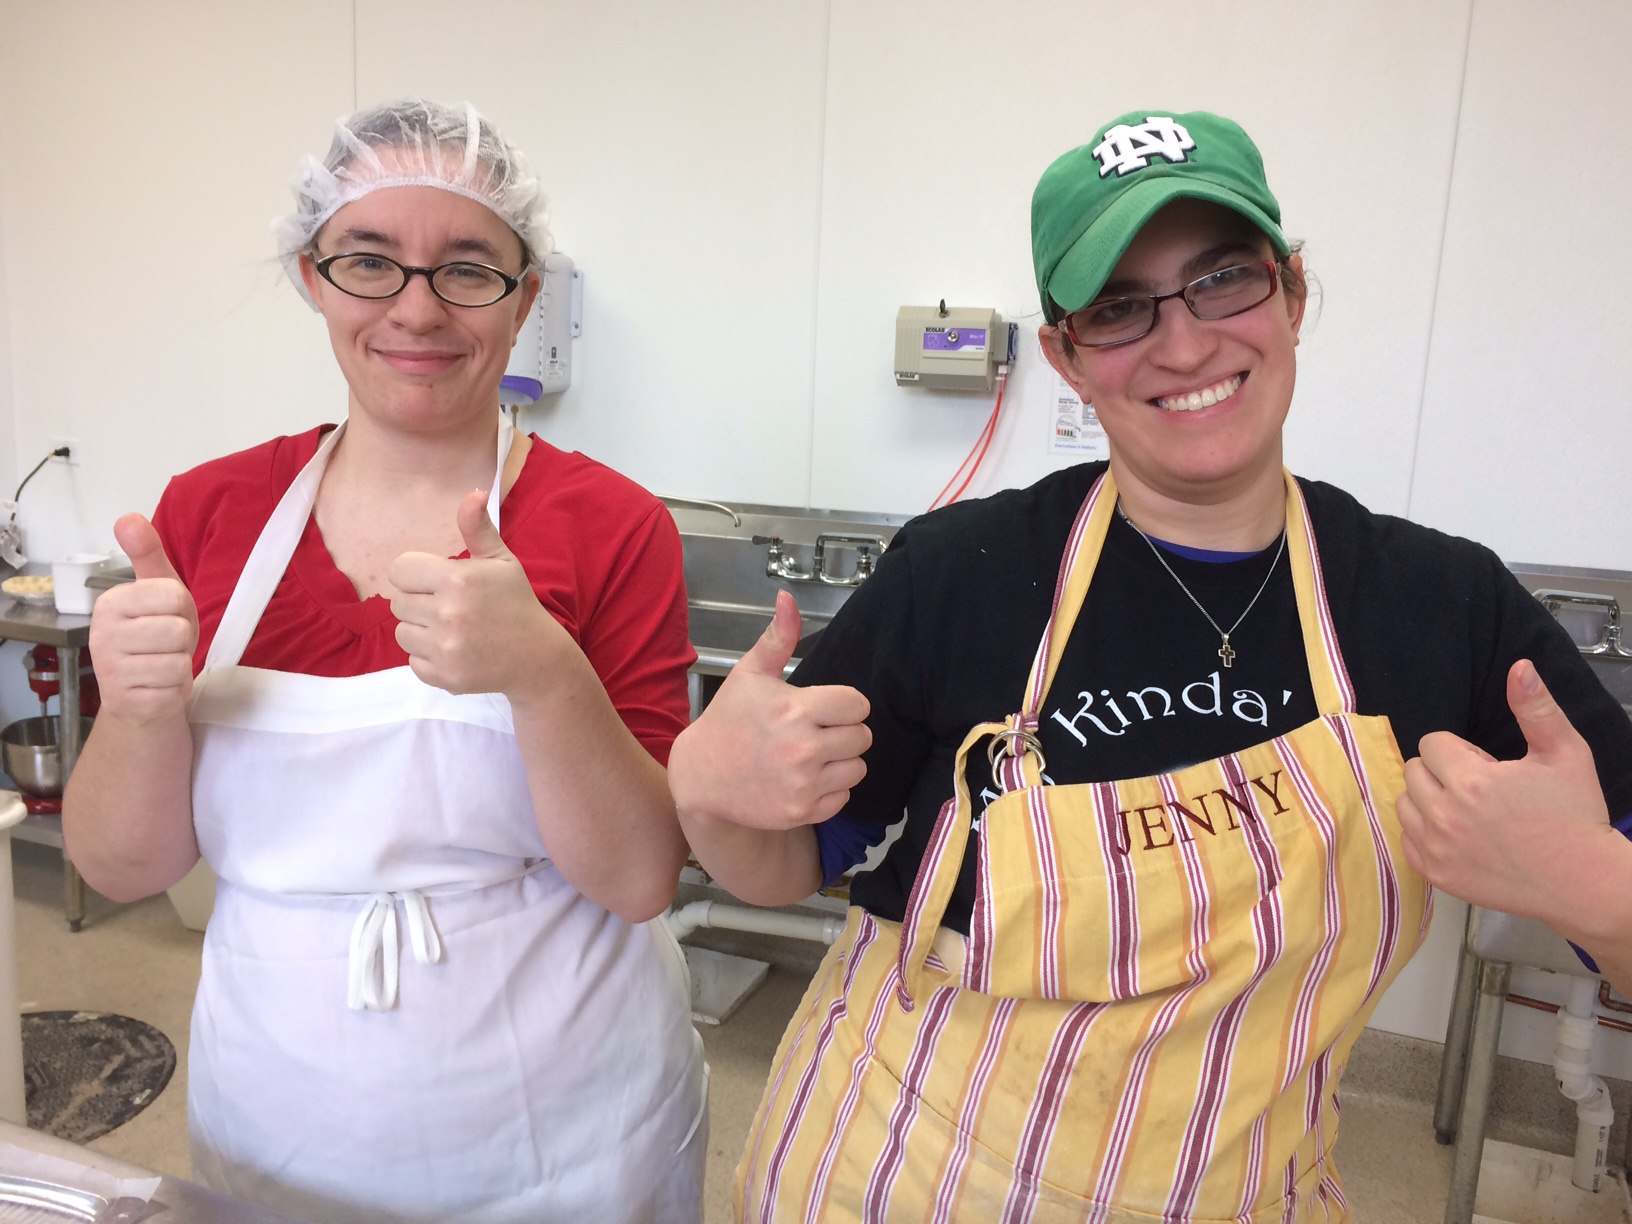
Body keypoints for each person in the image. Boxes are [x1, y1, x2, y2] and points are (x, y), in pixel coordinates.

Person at [667, 109, 1632, 1221]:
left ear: (1294, 295)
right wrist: (706, 790)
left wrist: (1598, 890)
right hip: (902, 1176)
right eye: (1121, 308)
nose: (1182, 345)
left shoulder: (1442, 606)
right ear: (1069, 355)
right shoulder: (965, 572)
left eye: (1224, 279)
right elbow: (785, 864)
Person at [62, 99, 707, 1224]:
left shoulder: (611, 524)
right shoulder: (210, 513)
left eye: (468, 268)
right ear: (312, 277)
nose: (417, 308)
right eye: (371, 261)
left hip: (574, 1141)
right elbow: (125, 868)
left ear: (526, 299)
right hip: (277, 1125)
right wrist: (135, 710)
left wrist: (544, 677)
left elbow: (641, 879)